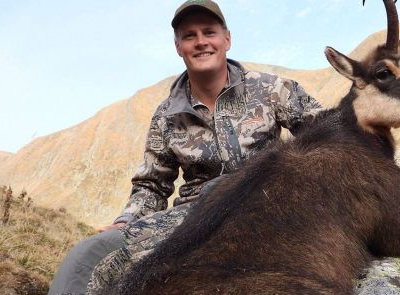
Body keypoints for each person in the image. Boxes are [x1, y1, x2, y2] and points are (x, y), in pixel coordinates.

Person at [48, 1, 323, 294]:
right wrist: (126, 221)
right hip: (192, 220)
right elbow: (152, 185)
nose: (201, 42)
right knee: (89, 254)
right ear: (178, 46)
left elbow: (328, 134)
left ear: (226, 39)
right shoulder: (166, 115)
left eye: (209, 32)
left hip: (267, 206)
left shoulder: (273, 90)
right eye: (189, 35)